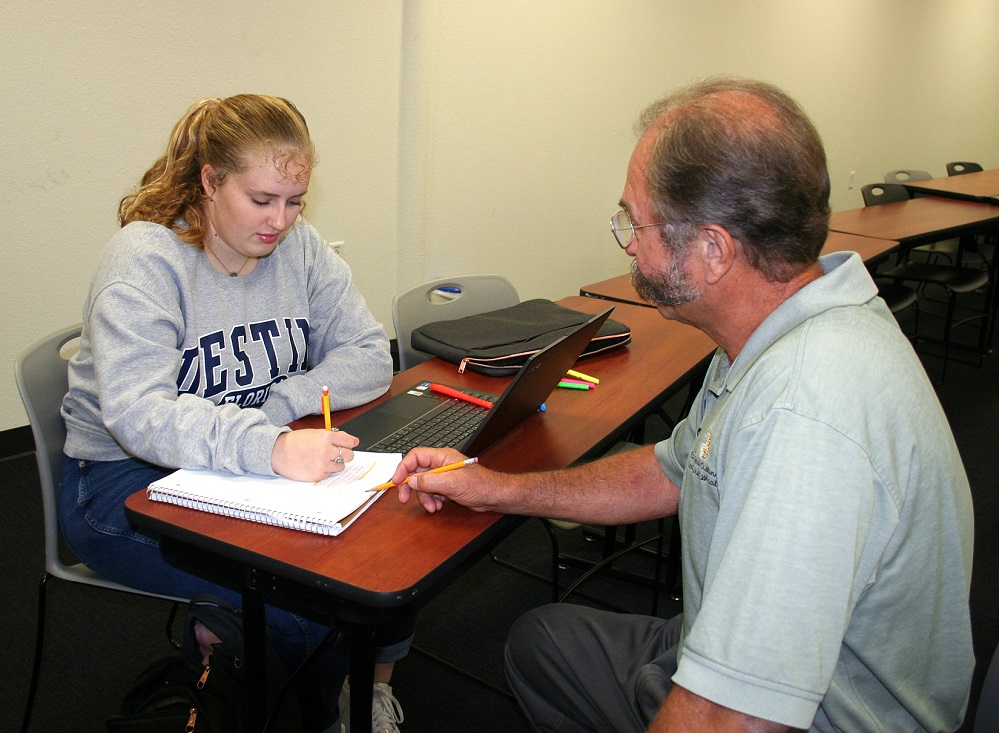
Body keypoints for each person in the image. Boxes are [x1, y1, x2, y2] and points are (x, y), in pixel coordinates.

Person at [387, 77, 975, 732]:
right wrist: (495, 487)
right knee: (543, 642)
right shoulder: (780, 325)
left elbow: (731, 716)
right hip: (753, 656)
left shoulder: (804, 411)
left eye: (634, 221)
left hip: (826, 715)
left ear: (714, 250)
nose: (629, 243)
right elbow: (672, 469)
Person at [61, 94, 407, 733]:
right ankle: (327, 713)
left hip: (239, 458)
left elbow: (368, 355)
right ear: (210, 181)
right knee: (310, 605)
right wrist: (267, 446)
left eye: (295, 200)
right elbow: (138, 414)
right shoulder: (146, 259)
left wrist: (276, 410)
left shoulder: (300, 249)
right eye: (262, 199)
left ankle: (348, 679)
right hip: (122, 480)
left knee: (387, 543)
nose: (282, 220)